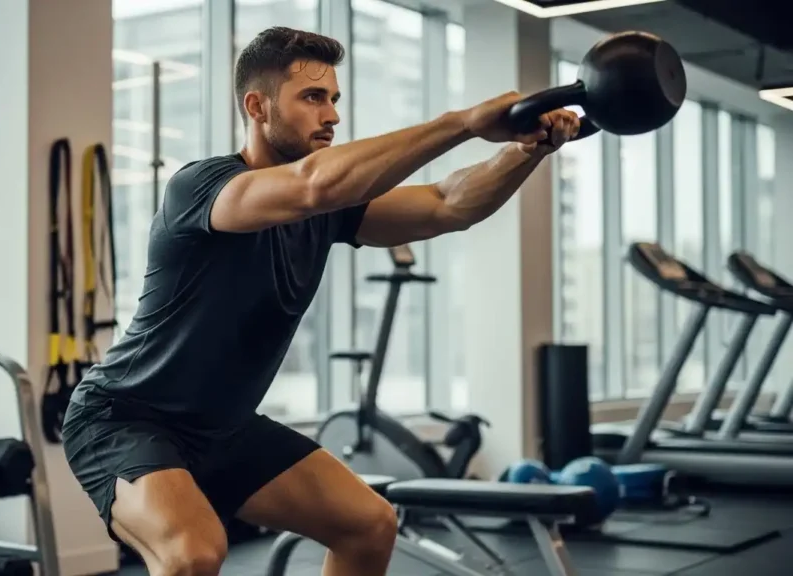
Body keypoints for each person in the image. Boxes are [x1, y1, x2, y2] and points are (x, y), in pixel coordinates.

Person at [62, 26, 580, 576]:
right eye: (313, 98)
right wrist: (461, 123)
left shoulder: (327, 209)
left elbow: (449, 204)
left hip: (225, 427)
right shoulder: (204, 187)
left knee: (368, 525)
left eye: (334, 99)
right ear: (257, 106)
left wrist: (527, 151)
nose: (331, 115)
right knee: (192, 554)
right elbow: (314, 186)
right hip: (125, 418)